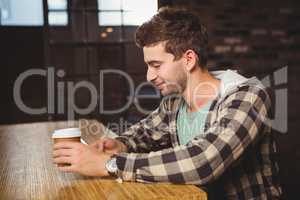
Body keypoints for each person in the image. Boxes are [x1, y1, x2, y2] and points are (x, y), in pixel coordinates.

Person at [53, 7, 282, 199]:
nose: (149, 76)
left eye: (156, 64)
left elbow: (203, 161)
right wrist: (120, 144)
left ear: (189, 59)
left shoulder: (248, 96)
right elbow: (143, 133)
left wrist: (111, 164)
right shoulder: (174, 102)